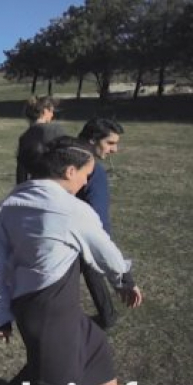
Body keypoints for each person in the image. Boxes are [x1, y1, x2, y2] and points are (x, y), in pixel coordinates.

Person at [0, 136, 152, 385]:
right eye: (86, 175)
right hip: (51, 310)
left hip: (33, 306)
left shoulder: (7, 205)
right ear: (69, 171)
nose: (87, 183)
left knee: (95, 346)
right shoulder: (73, 210)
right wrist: (124, 281)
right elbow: (106, 252)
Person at [77, 118, 126, 329]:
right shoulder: (93, 172)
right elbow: (99, 218)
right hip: (81, 238)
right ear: (92, 140)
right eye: (110, 143)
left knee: (90, 270)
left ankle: (107, 315)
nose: (115, 150)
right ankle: (107, 316)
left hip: (82, 239)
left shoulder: (70, 159)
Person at [15, 95, 67, 184]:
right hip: (54, 181)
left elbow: (21, 171)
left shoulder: (24, 136)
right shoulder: (54, 130)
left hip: (33, 183)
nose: (52, 114)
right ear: (44, 111)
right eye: (51, 111)